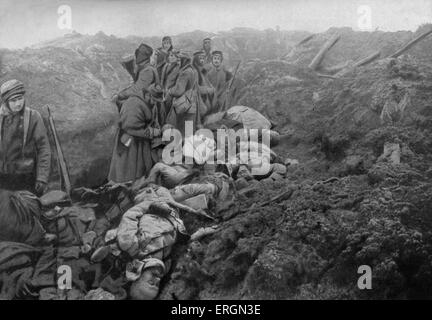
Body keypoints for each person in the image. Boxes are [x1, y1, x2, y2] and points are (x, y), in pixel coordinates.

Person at [0, 80, 51, 196]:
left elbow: (44, 149)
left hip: (26, 178)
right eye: (13, 100)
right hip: (2, 178)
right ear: (5, 102)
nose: (18, 103)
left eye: (20, 98)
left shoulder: (33, 117)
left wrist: (42, 178)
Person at [108, 83, 161, 183]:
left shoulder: (151, 103)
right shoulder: (133, 104)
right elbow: (130, 128)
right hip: (129, 142)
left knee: (142, 172)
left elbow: (154, 121)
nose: (155, 103)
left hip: (142, 142)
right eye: (154, 100)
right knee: (128, 172)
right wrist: (152, 132)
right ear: (148, 95)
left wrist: (156, 128)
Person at [164, 51, 199, 136]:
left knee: (180, 131)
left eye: (180, 60)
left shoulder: (185, 72)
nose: (178, 63)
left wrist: (169, 91)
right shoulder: (192, 70)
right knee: (189, 131)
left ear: (184, 61)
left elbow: (179, 90)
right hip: (191, 104)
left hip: (183, 105)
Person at [192, 50, 216, 116]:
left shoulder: (202, 71)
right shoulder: (194, 71)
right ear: (196, 59)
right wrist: (208, 90)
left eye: (203, 58)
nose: (202, 60)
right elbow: (196, 88)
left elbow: (206, 83)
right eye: (200, 58)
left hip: (203, 101)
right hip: (195, 103)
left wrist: (211, 88)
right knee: (190, 123)